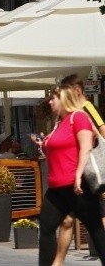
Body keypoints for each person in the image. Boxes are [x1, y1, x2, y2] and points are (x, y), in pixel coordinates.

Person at [34, 81, 105, 265]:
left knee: (96, 230)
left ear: (64, 98)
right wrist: (43, 144)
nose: (50, 102)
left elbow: (86, 147)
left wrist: (78, 176)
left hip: (76, 186)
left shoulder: (78, 117)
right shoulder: (59, 123)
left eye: (54, 98)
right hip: (57, 188)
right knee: (47, 227)